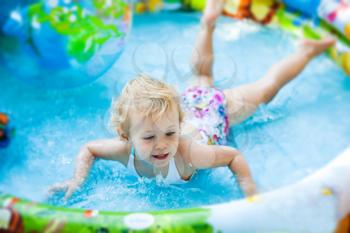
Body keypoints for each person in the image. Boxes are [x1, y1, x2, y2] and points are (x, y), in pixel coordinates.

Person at [49, 0, 335, 200]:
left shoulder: (189, 154)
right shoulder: (124, 151)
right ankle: (208, 21)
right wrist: (77, 180)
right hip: (188, 104)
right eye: (148, 138)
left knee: (265, 89)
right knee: (200, 75)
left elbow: (234, 157)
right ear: (125, 136)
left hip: (215, 109)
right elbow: (89, 149)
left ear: (178, 123)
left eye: (169, 134)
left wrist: (249, 192)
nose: (162, 144)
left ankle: (306, 51)